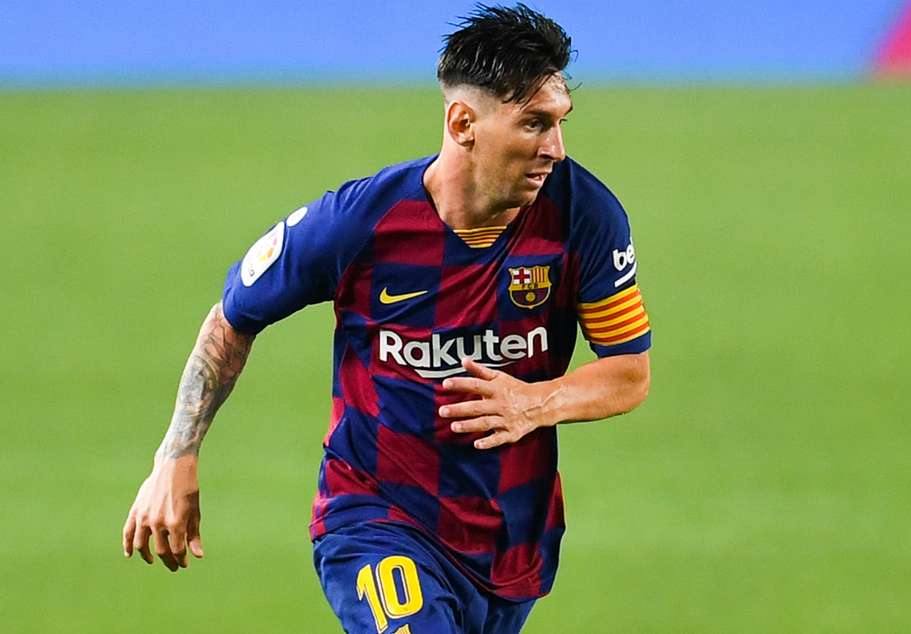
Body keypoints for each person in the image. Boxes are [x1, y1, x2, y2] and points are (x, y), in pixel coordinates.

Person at [122, 4, 651, 632]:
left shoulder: (583, 216)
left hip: (510, 542)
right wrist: (175, 456)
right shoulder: (360, 222)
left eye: (561, 122)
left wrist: (535, 402)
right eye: (535, 124)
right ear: (463, 123)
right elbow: (231, 318)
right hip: (376, 518)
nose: (555, 150)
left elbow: (629, 372)